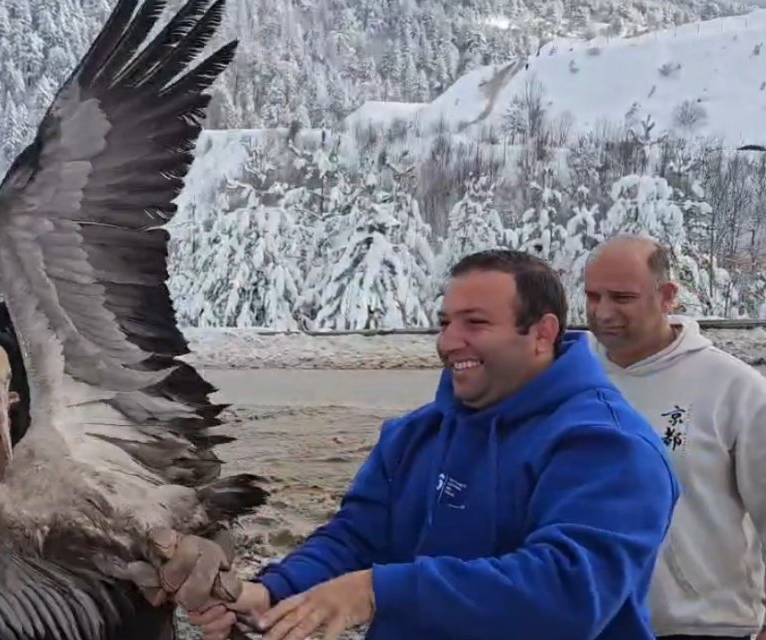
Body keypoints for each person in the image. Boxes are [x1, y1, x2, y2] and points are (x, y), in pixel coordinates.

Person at [189, 249, 681, 640]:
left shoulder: (608, 446)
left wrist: (380, 590)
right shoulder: (413, 435)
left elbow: (570, 595)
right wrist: (274, 592)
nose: (449, 341)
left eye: (475, 323)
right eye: (445, 323)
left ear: (541, 333)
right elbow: (356, 538)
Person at [0, 301, 234, 624]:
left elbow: (204, 498)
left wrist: (209, 556)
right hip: (12, 604)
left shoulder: (141, 380)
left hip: (129, 617)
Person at [583, 235, 766, 640]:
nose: (603, 312)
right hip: (590, 622)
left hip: (703, 626)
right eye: (593, 296)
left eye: (622, 297)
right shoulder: (567, 378)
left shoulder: (734, 388)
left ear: (666, 296)